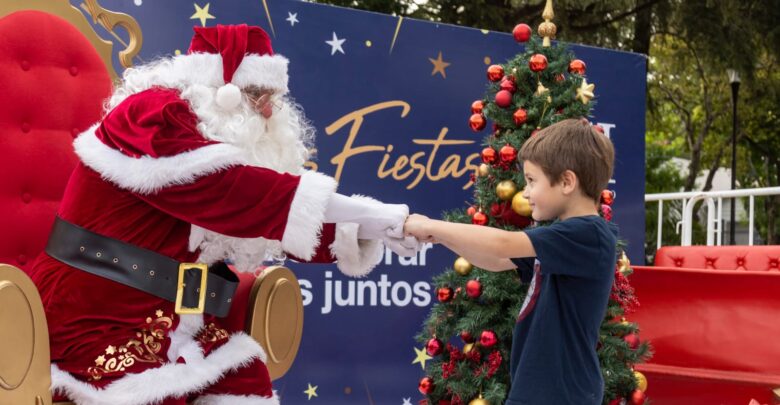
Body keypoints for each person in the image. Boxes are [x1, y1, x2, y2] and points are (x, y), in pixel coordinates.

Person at [29, 24, 420, 405]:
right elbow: (245, 194)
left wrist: (371, 231)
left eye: (273, 96)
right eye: (256, 94)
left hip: (174, 318)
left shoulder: (209, 134)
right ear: (219, 88)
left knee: (245, 379)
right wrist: (376, 214)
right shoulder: (153, 116)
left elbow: (266, 217)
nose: (268, 109)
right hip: (96, 310)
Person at [404, 118, 618, 404]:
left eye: (532, 181)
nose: (526, 193)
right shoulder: (563, 238)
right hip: (538, 392)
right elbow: (499, 258)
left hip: (560, 395)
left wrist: (432, 224)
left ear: (567, 181)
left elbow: (502, 243)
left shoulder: (587, 233)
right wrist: (441, 237)